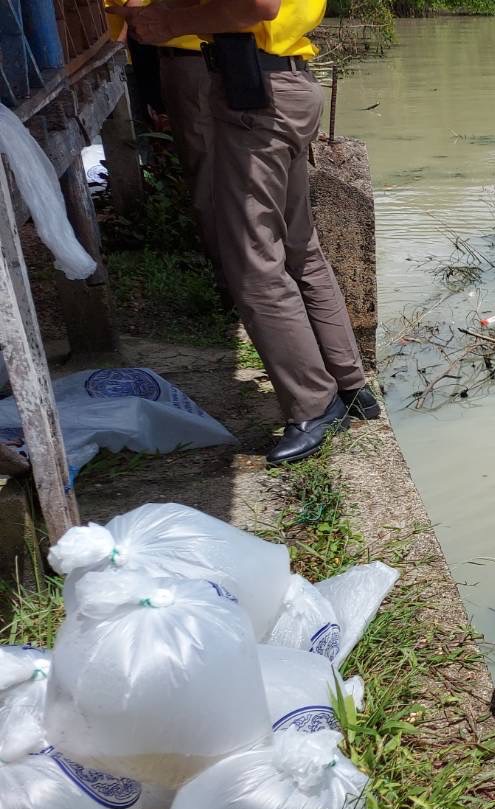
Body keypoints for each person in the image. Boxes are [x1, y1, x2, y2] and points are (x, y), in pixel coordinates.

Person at [117, 0, 379, 466]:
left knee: (254, 264)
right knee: (300, 249)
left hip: (258, 94)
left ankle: (315, 405)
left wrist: (171, 20)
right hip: (288, 82)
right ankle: (351, 385)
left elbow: (253, 6)